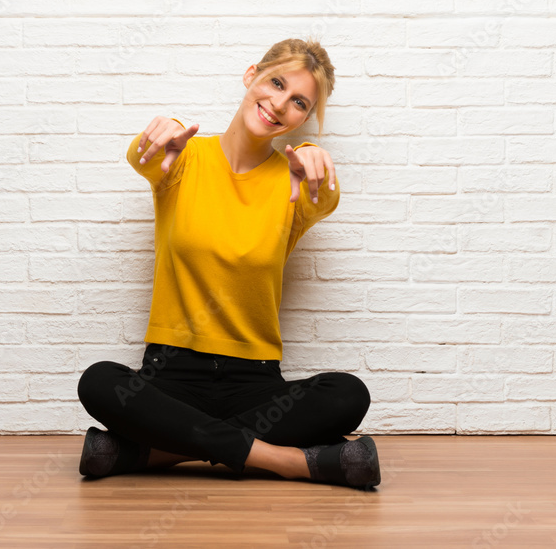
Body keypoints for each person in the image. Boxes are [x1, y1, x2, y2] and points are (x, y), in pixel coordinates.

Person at [76, 38, 379, 490]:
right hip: (170, 375)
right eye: (276, 83)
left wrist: (316, 157)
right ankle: (290, 463)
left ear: (305, 118)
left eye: (298, 102)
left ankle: (157, 452)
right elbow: (142, 154)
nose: (279, 104)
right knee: (99, 381)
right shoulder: (184, 156)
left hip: (253, 381)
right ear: (251, 74)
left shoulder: (297, 183)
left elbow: (325, 196)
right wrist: (164, 128)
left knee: (348, 394)